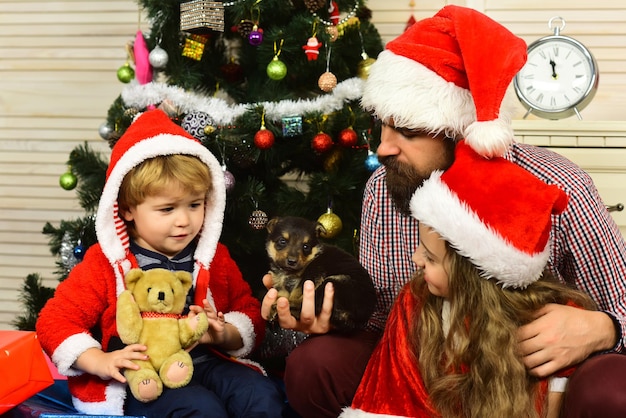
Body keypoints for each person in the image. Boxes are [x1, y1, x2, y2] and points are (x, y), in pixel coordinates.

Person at [263, 5, 626, 418]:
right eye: (380, 125)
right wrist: (327, 318)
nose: (383, 147)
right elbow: (376, 317)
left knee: (614, 388)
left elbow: (622, 301)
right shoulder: (383, 189)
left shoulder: (560, 186)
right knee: (314, 366)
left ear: (459, 131)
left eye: (409, 130)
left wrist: (604, 328)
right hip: (415, 363)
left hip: (523, 376)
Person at [36, 109, 285, 417]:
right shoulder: (105, 263)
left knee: (259, 394)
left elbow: (248, 312)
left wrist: (223, 333)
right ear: (127, 210)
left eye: (194, 205)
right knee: (199, 409)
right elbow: (54, 322)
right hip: (143, 375)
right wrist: (98, 360)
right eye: (167, 209)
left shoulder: (213, 256)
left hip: (205, 361)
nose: (184, 221)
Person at [341, 139, 597, 418]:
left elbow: (552, 401)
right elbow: (395, 395)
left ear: (471, 276)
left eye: (431, 257)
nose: (416, 259)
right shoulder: (415, 303)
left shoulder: (550, 320)